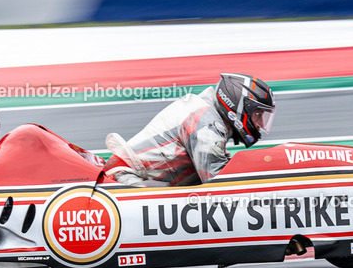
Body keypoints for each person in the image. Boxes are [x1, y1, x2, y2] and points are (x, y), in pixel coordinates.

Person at [104, 73, 275, 187]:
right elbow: (218, 184)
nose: (260, 123)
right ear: (238, 105)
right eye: (258, 115)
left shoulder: (205, 112)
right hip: (126, 181)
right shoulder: (206, 125)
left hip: (129, 177)